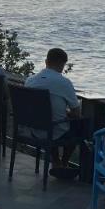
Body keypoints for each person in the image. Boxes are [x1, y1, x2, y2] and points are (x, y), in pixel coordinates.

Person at [25, 48, 82, 178]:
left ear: (46, 61)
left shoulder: (30, 80)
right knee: (79, 126)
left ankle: (56, 161)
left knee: (53, 122)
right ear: (62, 65)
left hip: (33, 129)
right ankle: (64, 162)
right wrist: (67, 113)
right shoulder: (64, 83)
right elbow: (77, 112)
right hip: (52, 130)